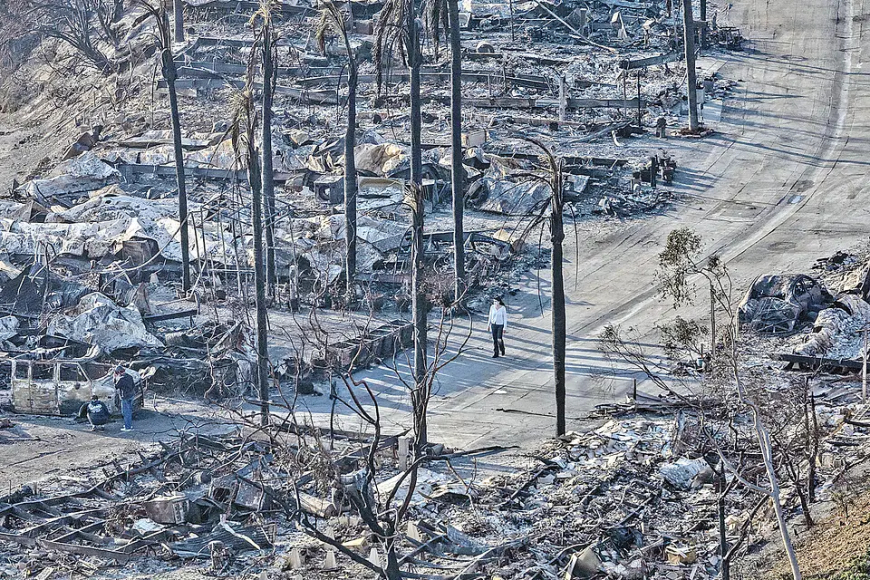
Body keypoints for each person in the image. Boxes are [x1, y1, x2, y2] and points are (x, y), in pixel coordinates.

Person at [114, 365, 137, 432]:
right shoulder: (129, 376)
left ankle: (128, 427)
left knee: (125, 412)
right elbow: (133, 385)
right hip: (131, 395)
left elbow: (116, 386)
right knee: (129, 411)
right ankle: (128, 425)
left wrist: (115, 378)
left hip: (125, 397)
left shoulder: (121, 379)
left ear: (118, 372)